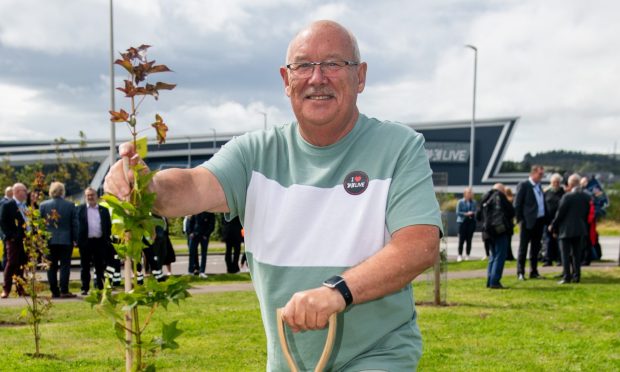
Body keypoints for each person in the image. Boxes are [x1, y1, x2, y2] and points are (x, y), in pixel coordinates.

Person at [104, 20, 442, 370]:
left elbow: (419, 245)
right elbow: (190, 186)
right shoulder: (254, 155)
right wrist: (146, 186)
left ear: (361, 76)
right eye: (304, 65)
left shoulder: (399, 147)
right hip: (287, 361)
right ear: (285, 79)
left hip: (378, 357)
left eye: (333, 64)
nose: (317, 78)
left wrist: (337, 292)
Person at [40, 182, 78, 298]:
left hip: (49, 240)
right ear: (63, 191)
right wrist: (75, 239)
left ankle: (54, 291)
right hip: (66, 240)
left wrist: (41, 240)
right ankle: (64, 290)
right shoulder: (70, 205)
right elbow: (74, 224)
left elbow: (40, 225)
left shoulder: (43, 205)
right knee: (65, 266)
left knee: (51, 266)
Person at [550, 174, 590, 284]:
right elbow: (587, 213)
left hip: (566, 229)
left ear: (570, 184)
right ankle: (576, 276)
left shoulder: (567, 197)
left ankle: (566, 276)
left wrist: (553, 225)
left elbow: (560, 214)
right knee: (577, 254)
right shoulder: (586, 197)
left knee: (565, 254)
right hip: (580, 228)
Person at [76, 187, 112, 295]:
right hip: (86, 242)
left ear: (97, 196)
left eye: (92, 195)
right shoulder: (79, 210)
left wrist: (108, 240)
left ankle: (100, 287)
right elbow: (76, 226)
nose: (90, 197)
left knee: (100, 266)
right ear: (85, 197)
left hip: (100, 242)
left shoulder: (104, 210)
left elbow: (108, 226)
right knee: (85, 267)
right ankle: (85, 288)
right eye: (88, 195)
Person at [514, 165, 547, 280]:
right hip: (527, 221)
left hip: (539, 221)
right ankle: (520, 272)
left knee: (535, 248)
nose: (541, 177)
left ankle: (534, 271)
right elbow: (517, 203)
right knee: (523, 248)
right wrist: (519, 220)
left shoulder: (539, 186)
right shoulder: (524, 185)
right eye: (540, 174)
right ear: (533, 174)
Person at [479, 183, 514, 289]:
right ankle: (495, 282)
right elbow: (511, 212)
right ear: (501, 190)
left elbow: (478, 215)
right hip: (499, 230)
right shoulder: (500, 196)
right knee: (500, 256)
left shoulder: (485, 197)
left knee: (493, 256)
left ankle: (490, 281)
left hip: (487, 231)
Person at [1, 183, 28, 298]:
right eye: (24, 191)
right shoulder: (8, 205)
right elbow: (2, 222)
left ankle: (20, 289)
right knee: (11, 263)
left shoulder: (24, 205)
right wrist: (10, 236)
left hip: (24, 239)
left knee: (22, 263)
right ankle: (6, 289)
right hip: (13, 240)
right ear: (17, 192)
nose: (26, 193)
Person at [543, 173, 564, 266]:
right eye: (554, 182)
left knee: (559, 241)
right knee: (548, 241)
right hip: (547, 220)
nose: (555, 184)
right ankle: (548, 260)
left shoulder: (563, 193)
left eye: (557, 182)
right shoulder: (546, 192)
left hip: (559, 221)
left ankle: (560, 259)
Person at [187, 211, 215, 278]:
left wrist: (206, 235)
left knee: (204, 254)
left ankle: (202, 272)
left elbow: (211, 225)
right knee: (192, 253)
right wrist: (191, 233)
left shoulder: (210, 213)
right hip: (194, 235)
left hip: (204, 236)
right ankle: (190, 271)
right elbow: (191, 222)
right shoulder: (196, 210)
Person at [456, 187, 476, 262]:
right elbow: (458, 212)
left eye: (471, 193)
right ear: (465, 193)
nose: (469, 194)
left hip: (471, 222)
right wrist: (466, 214)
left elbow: (475, 211)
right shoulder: (460, 202)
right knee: (461, 240)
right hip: (462, 222)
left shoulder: (474, 202)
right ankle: (460, 255)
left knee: (469, 240)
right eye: (468, 193)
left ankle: (467, 255)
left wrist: (472, 213)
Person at [0, 186, 13, 270]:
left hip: (5, 230)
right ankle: (5, 269)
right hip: (5, 231)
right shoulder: (4, 202)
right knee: (6, 251)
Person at [504, 187, 516, 261]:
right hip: (510, 223)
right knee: (509, 240)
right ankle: (510, 255)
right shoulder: (513, 200)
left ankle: (507, 255)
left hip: (506, 223)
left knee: (506, 241)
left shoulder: (505, 201)